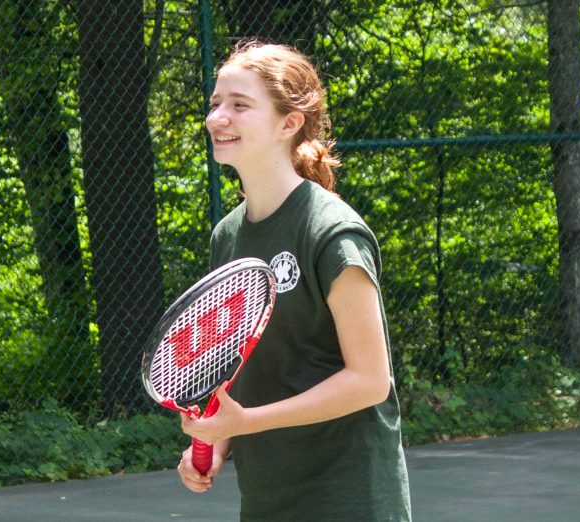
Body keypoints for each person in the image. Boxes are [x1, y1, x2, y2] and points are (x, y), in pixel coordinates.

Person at [176, 40, 412, 521]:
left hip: (349, 496)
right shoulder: (227, 237)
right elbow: (241, 366)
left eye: (240, 105)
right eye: (216, 102)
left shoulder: (332, 232)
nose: (218, 117)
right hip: (267, 498)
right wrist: (220, 442)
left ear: (289, 123)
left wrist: (245, 423)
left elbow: (370, 380)